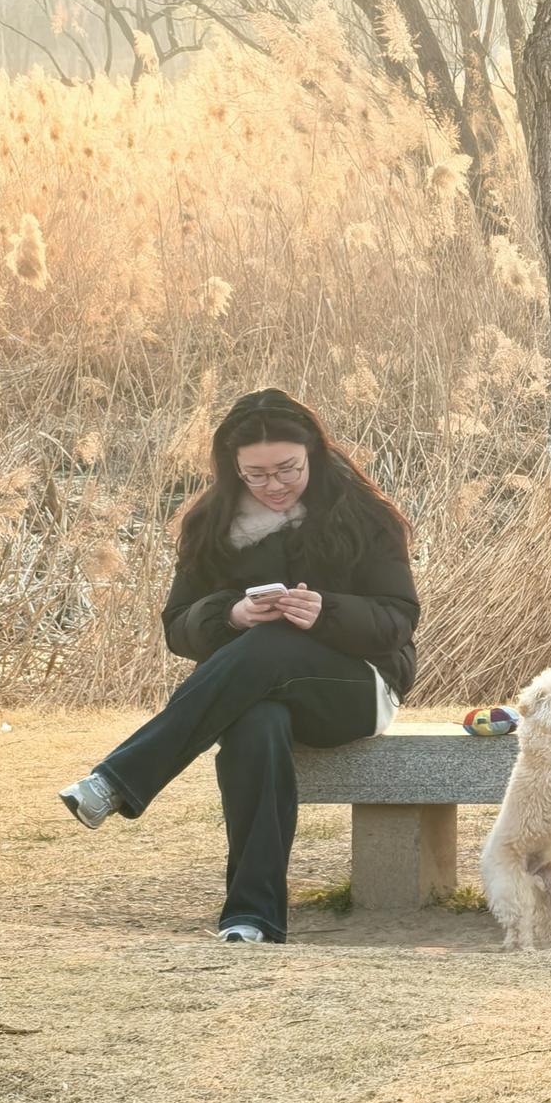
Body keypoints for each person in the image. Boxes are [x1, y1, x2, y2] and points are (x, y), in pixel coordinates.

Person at [58, 387, 419, 944]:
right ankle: (251, 917)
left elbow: (398, 621)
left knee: (270, 647)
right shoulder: (210, 522)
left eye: (287, 469)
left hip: (357, 688)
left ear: (313, 455)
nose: (273, 485)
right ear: (232, 468)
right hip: (254, 690)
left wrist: (326, 613)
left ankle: (117, 779)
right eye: (256, 474)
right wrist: (231, 615)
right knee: (257, 723)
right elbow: (177, 624)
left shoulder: (363, 515)